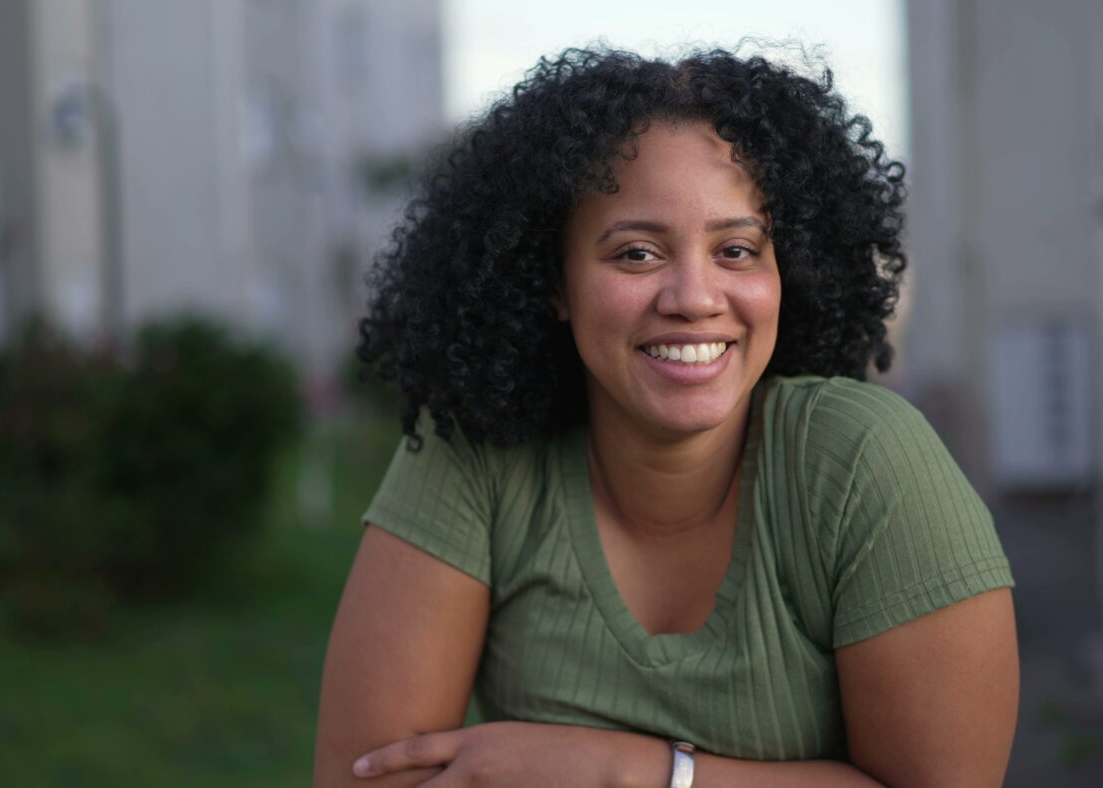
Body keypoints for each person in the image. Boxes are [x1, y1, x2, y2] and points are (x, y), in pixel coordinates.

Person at [315, 46, 1018, 788]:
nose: (694, 295)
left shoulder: (866, 464)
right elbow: (370, 778)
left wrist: (627, 772)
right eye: (638, 253)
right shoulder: (475, 454)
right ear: (553, 281)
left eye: (738, 250)